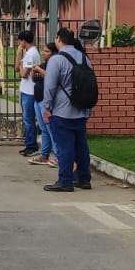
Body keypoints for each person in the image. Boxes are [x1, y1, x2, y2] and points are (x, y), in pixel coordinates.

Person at [43, 28, 94, 193]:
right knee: (81, 147)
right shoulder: (85, 58)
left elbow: (49, 86)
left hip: (62, 111)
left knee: (64, 148)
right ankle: (84, 179)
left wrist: (46, 107)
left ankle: (65, 181)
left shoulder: (57, 59)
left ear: (59, 39)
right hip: (82, 110)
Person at [27, 42, 57, 168]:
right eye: (43, 51)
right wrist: (36, 72)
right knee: (44, 129)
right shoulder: (43, 65)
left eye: (47, 51)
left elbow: (51, 78)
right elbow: (35, 78)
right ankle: (44, 155)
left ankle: (56, 156)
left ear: (53, 53)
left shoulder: (54, 65)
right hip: (38, 99)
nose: (44, 53)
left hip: (46, 102)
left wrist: (40, 71)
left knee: (51, 129)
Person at [15, 30, 42, 156]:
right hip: (25, 90)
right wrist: (19, 55)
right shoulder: (28, 53)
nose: (19, 44)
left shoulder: (31, 54)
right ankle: (29, 143)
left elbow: (24, 74)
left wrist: (21, 65)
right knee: (27, 119)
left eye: (20, 41)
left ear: (23, 41)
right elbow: (17, 68)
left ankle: (31, 146)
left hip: (30, 92)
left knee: (28, 120)